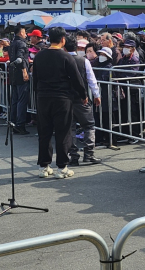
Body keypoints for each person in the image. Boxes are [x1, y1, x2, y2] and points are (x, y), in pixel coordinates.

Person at [32, 27, 87, 179]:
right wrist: (83, 95)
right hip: (62, 98)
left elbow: (35, 79)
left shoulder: (39, 56)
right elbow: (76, 79)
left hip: (43, 97)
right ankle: (62, 167)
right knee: (63, 133)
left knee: (44, 133)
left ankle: (44, 166)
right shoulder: (66, 57)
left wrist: (38, 94)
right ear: (63, 39)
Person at [64, 36, 102, 165]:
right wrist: (96, 95)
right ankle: (89, 154)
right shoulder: (83, 61)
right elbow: (91, 80)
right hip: (82, 99)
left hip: (66, 99)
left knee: (70, 128)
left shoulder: (62, 60)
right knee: (89, 126)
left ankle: (73, 156)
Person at [8, 26, 30, 135]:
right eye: (25, 32)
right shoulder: (22, 43)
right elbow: (20, 58)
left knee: (15, 100)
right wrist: (24, 71)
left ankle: (13, 123)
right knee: (22, 100)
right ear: (21, 33)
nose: (26, 35)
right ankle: (20, 125)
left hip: (13, 74)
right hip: (20, 74)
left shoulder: (12, 43)